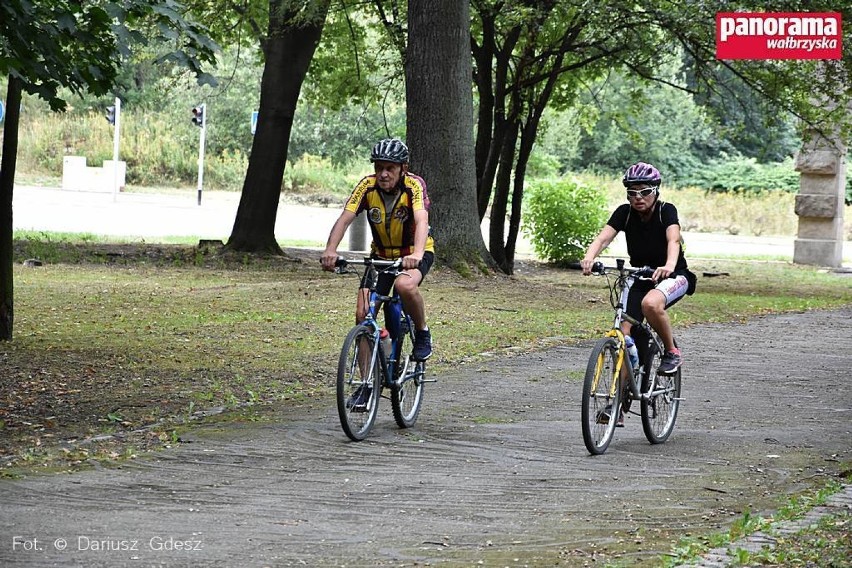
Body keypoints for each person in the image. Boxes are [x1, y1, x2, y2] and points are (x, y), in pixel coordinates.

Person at [321, 138, 435, 363]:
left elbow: (422, 220)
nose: (383, 174)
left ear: (403, 168)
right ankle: (365, 384)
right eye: (379, 167)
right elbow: (345, 219)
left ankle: (422, 332)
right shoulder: (367, 186)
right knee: (363, 315)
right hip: (380, 257)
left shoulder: (414, 185)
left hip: (412, 253)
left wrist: (417, 255)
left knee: (404, 285)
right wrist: (330, 250)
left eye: (390, 168)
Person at [580, 161, 696, 378]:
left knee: (650, 304)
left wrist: (669, 265)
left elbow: (674, 239)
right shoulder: (624, 213)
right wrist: (589, 257)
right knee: (625, 334)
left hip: (673, 275)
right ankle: (619, 403)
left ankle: (671, 352)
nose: (638, 197)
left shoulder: (666, 211)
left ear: (656, 191)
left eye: (645, 192)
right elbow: (603, 238)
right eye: (632, 192)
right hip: (640, 276)